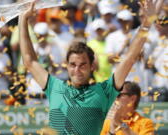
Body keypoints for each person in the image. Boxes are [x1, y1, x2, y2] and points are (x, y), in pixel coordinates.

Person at [18, 0, 163, 134]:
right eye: (73, 65)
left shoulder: (105, 91)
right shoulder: (55, 87)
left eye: (82, 65)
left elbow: (130, 58)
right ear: (67, 66)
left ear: (92, 66)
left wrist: (146, 24)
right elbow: (29, 61)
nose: (77, 70)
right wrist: (23, 19)